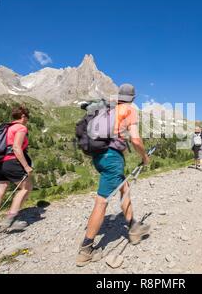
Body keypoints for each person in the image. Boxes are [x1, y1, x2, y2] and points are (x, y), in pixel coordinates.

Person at [76, 84, 151, 267]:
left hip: (99, 156)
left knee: (124, 187)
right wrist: (144, 156)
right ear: (133, 98)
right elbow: (135, 139)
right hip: (112, 158)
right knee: (102, 201)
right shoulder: (129, 110)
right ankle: (85, 249)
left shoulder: (108, 108)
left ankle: (133, 227)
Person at [0, 106, 34, 238]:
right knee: (26, 188)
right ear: (23, 116)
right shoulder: (20, 128)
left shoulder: (6, 128)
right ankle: (10, 219)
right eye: (27, 118)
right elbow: (17, 148)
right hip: (11, 161)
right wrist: (26, 166)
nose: (27, 120)